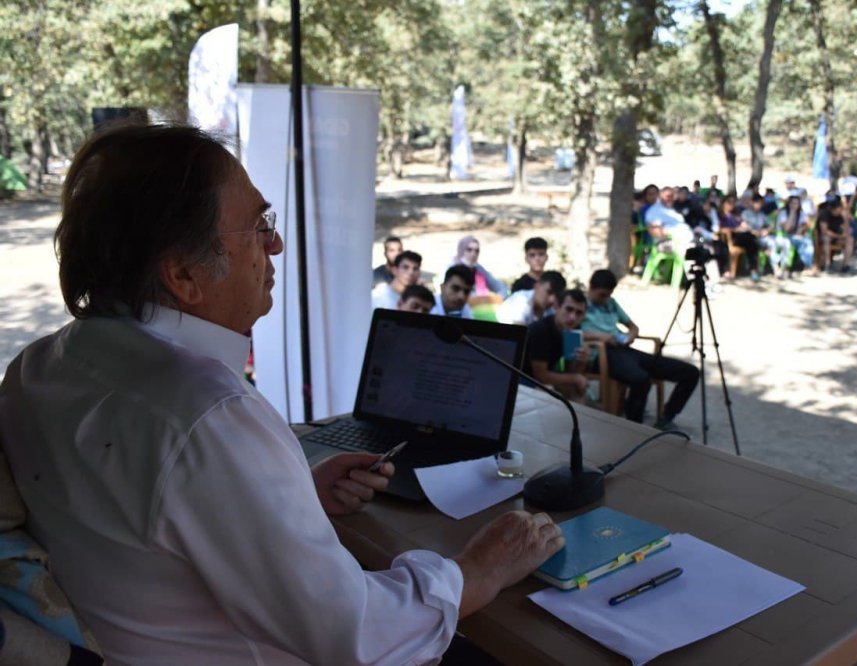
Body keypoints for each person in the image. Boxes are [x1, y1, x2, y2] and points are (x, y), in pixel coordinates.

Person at [0, 124, 564, 664]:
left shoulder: (39, 365)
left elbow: (136, 520)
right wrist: (478, 569)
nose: (276, 243)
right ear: (183, 274)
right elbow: (356, 637)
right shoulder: (208, 414)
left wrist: (290, 495)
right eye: (257, 225)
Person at [581, 270, 699, 430]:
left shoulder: (611, 303)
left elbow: (633, 326)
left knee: (690, 372)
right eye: (602, 295)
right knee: (640, 379)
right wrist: (600, 336)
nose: (605, 299)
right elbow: (567, 329)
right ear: (591, 288)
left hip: (625, 349)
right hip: (601, 354)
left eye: (609, 295)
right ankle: (634, 425)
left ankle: (667, 416)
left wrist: (631, 335)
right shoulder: (579, 304)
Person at [525, 289, 592, 402]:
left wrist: (581, 361)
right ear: (556, 307)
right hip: (521, 377)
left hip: (542, 378)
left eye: (579, 313)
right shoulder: (541, 330)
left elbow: (570, 370)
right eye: (569, 309)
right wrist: (575, 379)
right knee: (547, 391)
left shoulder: (573, 330)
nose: (573, 317)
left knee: (577, 390)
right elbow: (541, 376)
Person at [742, 193, 790, 280]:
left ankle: (780, 268)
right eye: (757, 203)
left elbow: (770, 225)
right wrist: (755, 232)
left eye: (761, 203)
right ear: (752, 202)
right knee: (768, 245)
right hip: (752, 238)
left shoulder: (762, 214)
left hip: (764, 237)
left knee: (780, 243)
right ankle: (772, 269)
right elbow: (744, 226)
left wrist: (766, 230)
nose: (759, 205)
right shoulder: (746, 213)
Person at [496, 270, 566, 326]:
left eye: (557, 296)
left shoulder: (551, 310)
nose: (552, 300)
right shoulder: (520, 301)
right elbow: (520, 335)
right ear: (537, 286)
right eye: (549, 292)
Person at [644, 186, 694, 254]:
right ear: (660, 196)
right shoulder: (653, 211)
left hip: (687, 240)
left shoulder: (673, 210)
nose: (670, 198)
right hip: (666, 243)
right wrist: (670, 235)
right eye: (668, 196)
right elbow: (653, 229)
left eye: (672, 196)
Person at [777, 195, 817, 276]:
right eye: (792, 203)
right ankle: (785, 268)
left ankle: (807, 266)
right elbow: (786, 229)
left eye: (796, 203)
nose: (794, 205)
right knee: (786, 243)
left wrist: (802, 229)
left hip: (797, 236)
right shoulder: (783, 213)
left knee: (807, 242)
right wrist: (792, 213)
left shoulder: (802, 214)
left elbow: (806, 226)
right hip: (784, 236)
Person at [817, 196, 854, 272]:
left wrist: (844, 232)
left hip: (838, 237)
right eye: (838, 210)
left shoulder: (841, 215)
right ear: (832, 209)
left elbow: (846, 228)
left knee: (850, 240)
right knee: (826, 238)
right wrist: (839, 236)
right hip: (826, 237)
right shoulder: (824, 214)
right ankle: (827, 264)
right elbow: (825, 231)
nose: (839, 211)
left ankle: (845, 265)